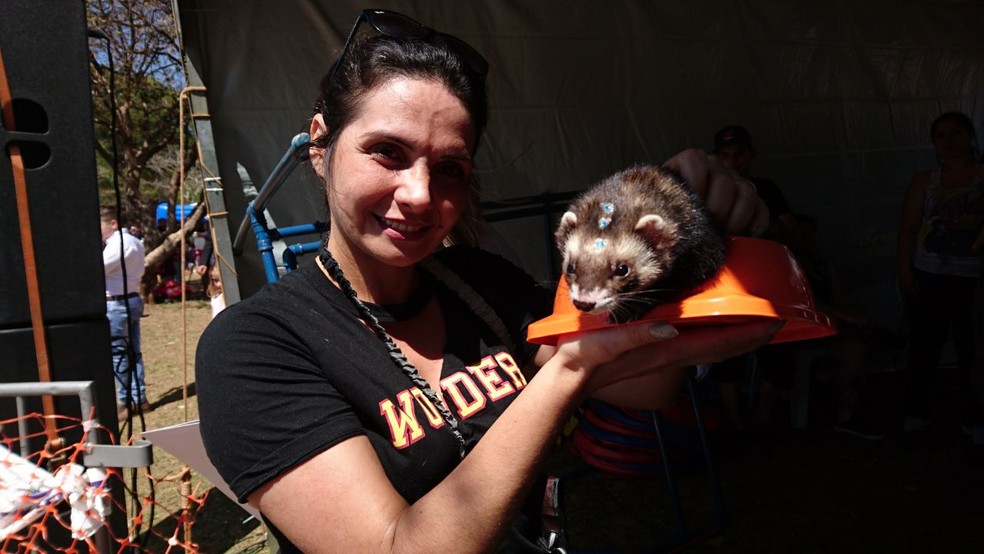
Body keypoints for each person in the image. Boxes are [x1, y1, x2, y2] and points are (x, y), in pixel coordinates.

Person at [195, 9, 779, 552]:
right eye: (388, 152)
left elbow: (647, 389)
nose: (420, 194)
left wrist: (681, 242)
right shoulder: (254, 347)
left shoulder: (482, 283)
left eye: (450, 167)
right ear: (321, 144)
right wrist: (569, 373)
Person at [709, 125, 799, 437]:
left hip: (767, 282)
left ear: (751, 155)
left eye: (739, 154)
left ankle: (762, 419)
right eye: (725, 155)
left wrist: (767, 230)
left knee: (777, 348)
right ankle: (736, 423)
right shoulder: (710, 192)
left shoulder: (766, 189)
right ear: (717, 159)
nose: (733, 161)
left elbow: (792, 231)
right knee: (728, 352)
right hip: (726, 285)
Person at [897, 111, 984, 434]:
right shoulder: (925, 181)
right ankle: (916, 410)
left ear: (969, 135)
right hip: (931, 273)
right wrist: (905, 270)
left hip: (975, 278)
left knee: (974, 348)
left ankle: (974, 415)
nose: (949, 140)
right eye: (941, 135)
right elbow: (908, 228)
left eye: (956, 132)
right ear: (934, 142)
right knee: (925, 344)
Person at [100, 206, 151, 420]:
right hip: (129, 299)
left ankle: (126, 401)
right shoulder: (133, 241)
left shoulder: (119, 243)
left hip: (118, 303)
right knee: (132, 352)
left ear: (113, 223)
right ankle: (138, 398)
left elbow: (99, 268)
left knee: (120, 354)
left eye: (100, 225)